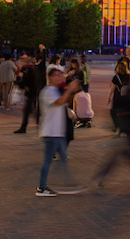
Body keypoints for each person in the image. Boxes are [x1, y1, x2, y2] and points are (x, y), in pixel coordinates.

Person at [93, 69, 130, 190]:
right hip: (125, 136)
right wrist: (122, 127)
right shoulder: (128, 100)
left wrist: (119, 127)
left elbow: (117, 113)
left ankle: (99, 179)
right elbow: (126, 114)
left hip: (124, 135)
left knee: (116, 161)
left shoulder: (126, 99)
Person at [35, 67, 81, 197]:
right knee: (48, 160)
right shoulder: (47, 91)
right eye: (56, 75)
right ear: (50, 77)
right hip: (50, 132)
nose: (59, 77)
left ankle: (70, 183)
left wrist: (70, 92)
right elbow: (60, 101)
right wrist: (69, 90)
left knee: (64, 158)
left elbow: (63, 102)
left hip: (58, 132)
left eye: (60, 75)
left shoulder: (56, 90)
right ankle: (41, 187)